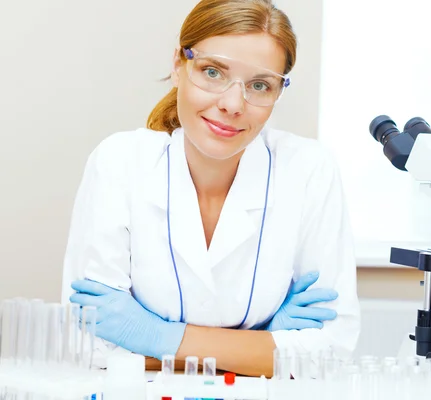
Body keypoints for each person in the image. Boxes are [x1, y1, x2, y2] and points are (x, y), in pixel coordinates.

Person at [61, 0, 360, 377]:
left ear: (278, 92)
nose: (233, 104)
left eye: (259, 85)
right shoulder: (120, 161)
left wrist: (155, 337)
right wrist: (263, 343)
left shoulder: (308, 169)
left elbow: (330, 353)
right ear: (177, 66)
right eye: (213, 72)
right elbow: (88, 347)